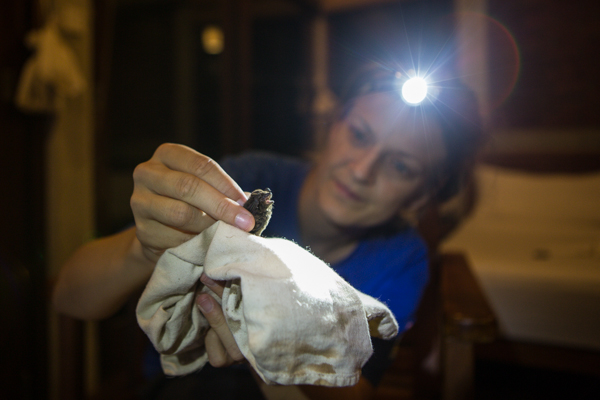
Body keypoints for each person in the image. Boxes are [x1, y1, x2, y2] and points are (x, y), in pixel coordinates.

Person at [52, 61, 483, 399]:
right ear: (332, 125)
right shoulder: (246, 179)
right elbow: (69, 295)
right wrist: (144, 250)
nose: (362, 170)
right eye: (359, 134)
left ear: (422, 196)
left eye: (401, 166)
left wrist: (277, 355)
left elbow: (358, 391)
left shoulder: (399, 258)